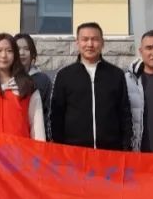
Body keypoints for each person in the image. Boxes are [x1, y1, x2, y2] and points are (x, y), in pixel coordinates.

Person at [50, 22, 132, 150]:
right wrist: (60, 149)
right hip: (74, 152)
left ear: (102, 43)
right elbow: (56, 116)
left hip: (110, 152)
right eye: (85, 39)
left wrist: (126, 147)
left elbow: (125, 114)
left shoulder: (116, 75)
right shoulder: (64, 76)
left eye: (95, 39)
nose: (90, 44)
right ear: (77, 43)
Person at [15, 33, 53, 139]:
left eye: (26, 49)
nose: (22, 53)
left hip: (37, 137)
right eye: (18, 49)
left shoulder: (42, 80)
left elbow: (48, 111)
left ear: (32, 53)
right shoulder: (6, 79)